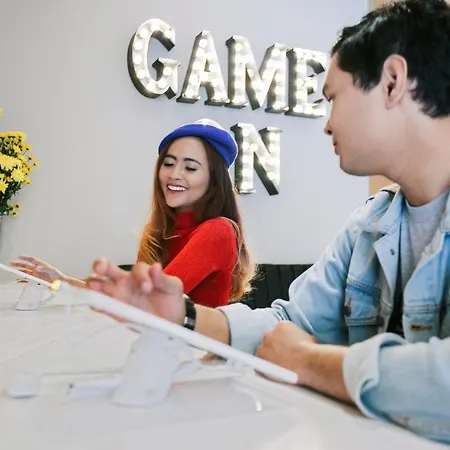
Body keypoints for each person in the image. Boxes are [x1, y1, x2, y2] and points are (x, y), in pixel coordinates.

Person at [88, 0, 450, 443]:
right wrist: (183, 316)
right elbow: (290, 322)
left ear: (392, 82)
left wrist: (310, 362)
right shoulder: (369, 224)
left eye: (333, 98)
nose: (327, 124)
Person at [12, 119, 254, 307]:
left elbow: (148, 298)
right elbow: (134, 298)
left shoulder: (218, 230)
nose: (174, 174)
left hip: (198, 354)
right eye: (169, 163)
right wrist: (60, 281)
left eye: (190, 167)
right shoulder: (158, 231)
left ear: (214, 181)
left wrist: (65, 283)